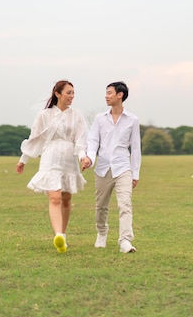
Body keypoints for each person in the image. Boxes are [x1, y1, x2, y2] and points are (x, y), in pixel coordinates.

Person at [16, 80, 88, 253]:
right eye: (68, 92)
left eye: (73, 93)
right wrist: (23, 159)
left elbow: (81, 138)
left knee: (66, 198)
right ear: (58, 94)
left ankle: (62, 232)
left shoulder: (77, 115)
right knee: (54, 197)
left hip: (69, 159)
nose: (72, 96)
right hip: (50, 157)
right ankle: (59, 236)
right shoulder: (44, 115)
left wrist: (82, 157)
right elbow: (35, 138)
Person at [81, 81, 141, 253]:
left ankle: (125, 241)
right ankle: (101, 232)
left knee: (125, 204)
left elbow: (136, 148)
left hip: (123, 167)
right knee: (101, 206)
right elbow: (92, 142)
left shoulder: (132, 120)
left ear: (120, 95)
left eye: (109, 93)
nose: (106, 96)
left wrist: (135, 173)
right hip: (103, 168)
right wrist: (89, 159)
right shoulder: (100, 119)